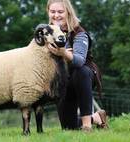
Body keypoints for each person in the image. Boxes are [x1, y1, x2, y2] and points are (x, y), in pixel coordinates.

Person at [46, 0, 108, 131]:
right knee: (68, 127)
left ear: (68, 12)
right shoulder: (46, 33)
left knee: (81, 71)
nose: (56, 15)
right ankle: (97, 118)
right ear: (48, 12)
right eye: (53, 12)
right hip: (63, 80)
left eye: (60, 12)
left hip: (83, 76)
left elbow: (79, 60)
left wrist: (62, 53)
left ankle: (87, 126)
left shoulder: (79, 33)